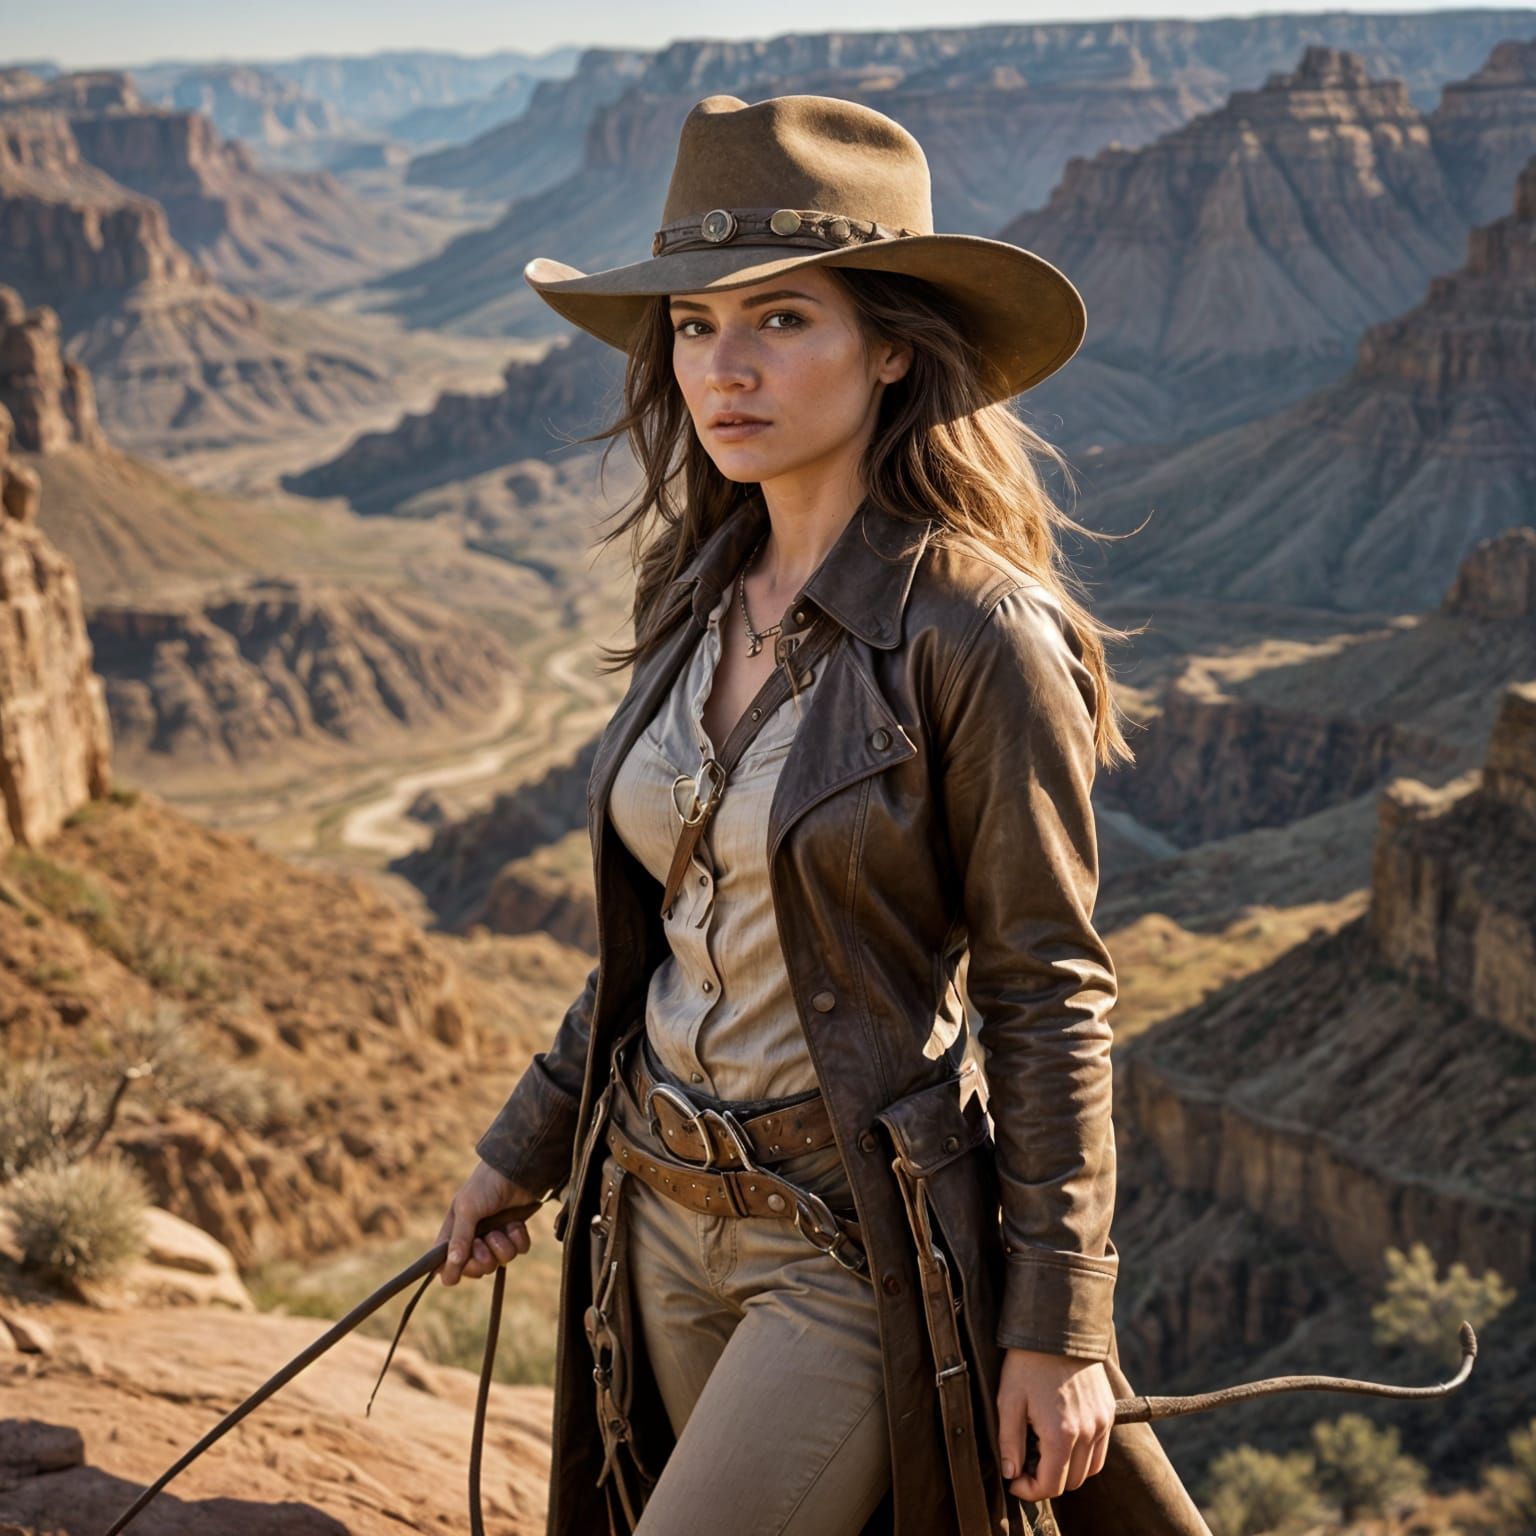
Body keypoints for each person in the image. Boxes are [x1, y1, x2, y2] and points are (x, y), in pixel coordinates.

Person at [434, 93, 1211, 1536]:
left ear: (894, 347)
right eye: (691, 325)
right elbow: (662, 935)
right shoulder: (697, 594)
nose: (724, 368)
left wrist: (1059, 1320)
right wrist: (524, 1145)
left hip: (844, 1245)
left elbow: (1051, 992)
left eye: (781, 320)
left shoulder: (977, 632)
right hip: (650, 1215)